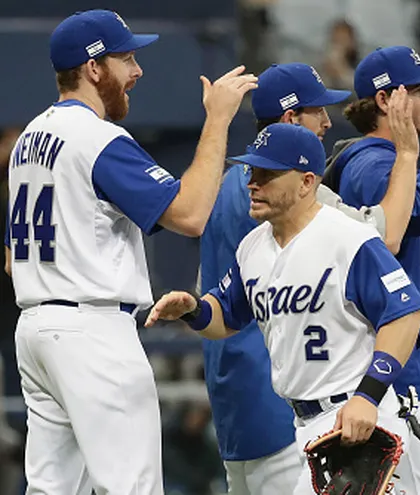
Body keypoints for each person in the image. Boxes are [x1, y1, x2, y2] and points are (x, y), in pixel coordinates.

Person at [2, 9, 256, 494]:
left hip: (37, 327)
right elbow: (190, 214)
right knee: (131, 487)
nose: (137, 71)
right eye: (126, 59)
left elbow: (14, 258)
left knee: (52, 489)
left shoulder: (27, 139)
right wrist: (218, 120)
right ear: (94, 67)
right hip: (91, 330)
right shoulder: (96, 138)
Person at [146, 122, 420, 494]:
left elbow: (405, 314)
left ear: (307, 182)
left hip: (353, 419)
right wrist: (194, 309)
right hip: (302, 426)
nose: (253, 182)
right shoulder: (253, 247)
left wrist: (367, 396)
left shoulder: (347, 238)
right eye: (252, 171)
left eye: (269, 173)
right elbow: (226, 318)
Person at [198, 62, 419, 494]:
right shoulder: (295, 198)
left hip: (235, 395)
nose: (326, 121)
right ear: (288, 119)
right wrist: (408, 155)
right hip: (290, 399)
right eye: (315, 110)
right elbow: (387, 236)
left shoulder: (226, 186)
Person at [323, 43, 420, 495]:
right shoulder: (370, 163)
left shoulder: (373, 159)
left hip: (396, 381)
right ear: (385, 101)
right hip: (387, 389)